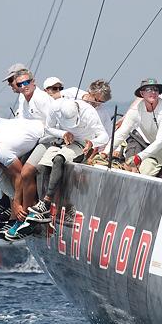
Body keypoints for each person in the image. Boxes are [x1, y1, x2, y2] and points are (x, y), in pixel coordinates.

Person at [19, 99, 108, 230]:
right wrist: (63, 133)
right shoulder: (55, 107)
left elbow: (104, 136)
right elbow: (48, 128)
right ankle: (43, 209)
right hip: (62, 141)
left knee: (59, 159)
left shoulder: (89, 112)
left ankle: (47, 202)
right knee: (41, 166)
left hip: (82, 144)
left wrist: (92, 143)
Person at [106, 78, 162, 180]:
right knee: (140, 178)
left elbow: (161, 140)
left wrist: (139, 157)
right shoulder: (135, 110)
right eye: (149, 89)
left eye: (155, 89)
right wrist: (105, 152)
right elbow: (122, 133)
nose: (153, 92)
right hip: (155, 148)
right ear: (142, 93)